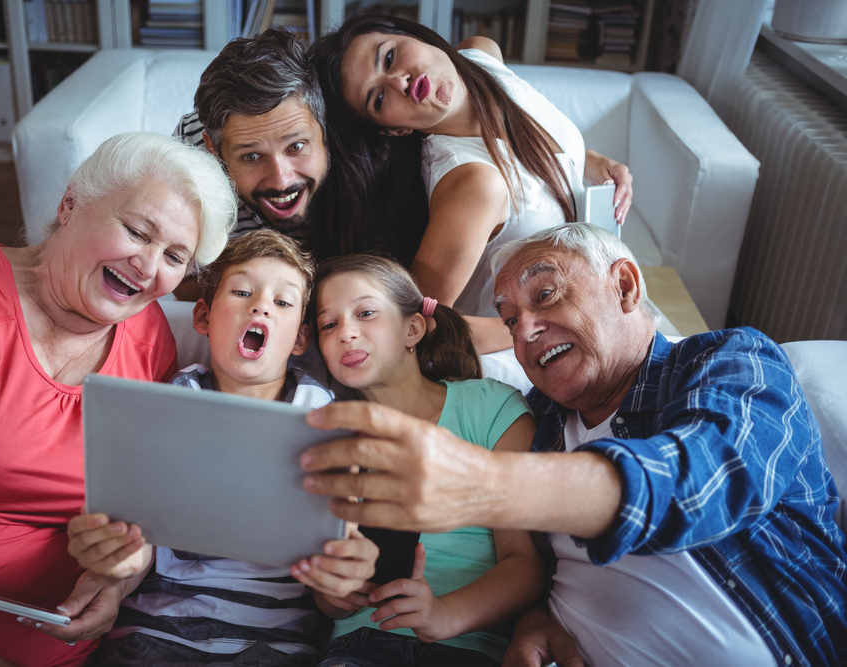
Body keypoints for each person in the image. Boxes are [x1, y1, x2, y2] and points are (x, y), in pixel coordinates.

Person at [297, 224, 847, 666]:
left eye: (546, 294)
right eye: (510, 318)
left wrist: (487, 484)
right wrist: (539, 620)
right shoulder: (539, 424)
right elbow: (518, 565)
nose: (525, 330)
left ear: (625, 286)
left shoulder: (727, 363)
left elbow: (705, 478)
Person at [0, 132, 238, 666]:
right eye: (136, 231)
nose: (148, 267)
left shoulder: (149, 342)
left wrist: (117, 582)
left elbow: (138, 516)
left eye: (174, 256)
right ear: (70, 203)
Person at [65, 230, 379, 667]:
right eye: (242, 291)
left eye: (283, 303)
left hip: (273, 644)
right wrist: (114, 565)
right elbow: (142, 539)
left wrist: (342, 584)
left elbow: (333, 582)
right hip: (155, 631)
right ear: (203, 317)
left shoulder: (325, 418)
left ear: (300, 340)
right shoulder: (172, 399)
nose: (261, 305)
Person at [310, 14, 633, 354]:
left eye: (389, 57)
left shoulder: (481, 55)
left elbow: (527, 140)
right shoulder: (475, 183)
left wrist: (593, 163)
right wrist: (550, 324)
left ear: (417, 37)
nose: (399, 82)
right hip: (527, 354)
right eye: (378, 98)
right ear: (395, 130)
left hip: (591, 305)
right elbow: (420, 324)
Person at [300, 254, 542, 666]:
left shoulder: (490, 407)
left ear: (413, 328)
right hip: (358, 645)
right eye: (329, 324)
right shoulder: (328, 435)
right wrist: (336, 594)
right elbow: (327, 598)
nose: (346, 334)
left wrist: (443, 614)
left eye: (366, 312)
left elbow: (525, 565)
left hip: (466, 646)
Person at [173, 27, 430, 303]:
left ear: (326, 128)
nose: (281, 181)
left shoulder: (376, 157)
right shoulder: (192, 152)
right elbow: (182, 279)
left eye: (295, 147)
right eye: (251, 156)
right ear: (213, 150)